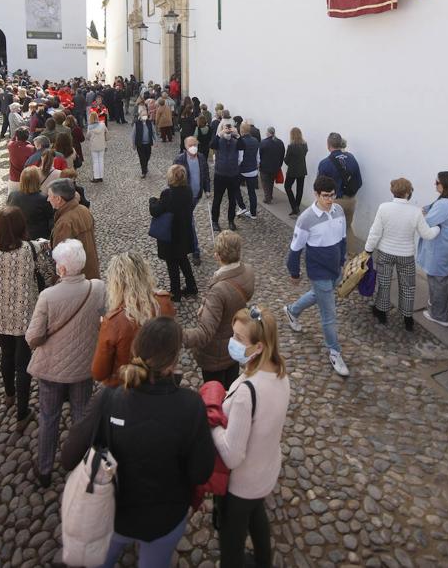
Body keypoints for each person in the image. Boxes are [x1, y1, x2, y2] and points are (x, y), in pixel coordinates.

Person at [62, 316, 213, 567]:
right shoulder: (191, 405)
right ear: (174, 360)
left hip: (113, 512)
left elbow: (68, 457)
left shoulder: (109, 399)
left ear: (135, 350)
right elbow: (201, 472)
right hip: (164, 519)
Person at [213, 306, 290, 568]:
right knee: (257, 515)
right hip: (265, 471)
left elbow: (233, 455)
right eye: (232, 335)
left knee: (231, 545)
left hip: (242, 482)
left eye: (238, 339)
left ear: (258, 347)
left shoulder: (248, 390)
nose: (232, 343)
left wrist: (212, 423)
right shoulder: (280, 372)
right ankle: (263, 561)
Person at [26, 239, 105, 487]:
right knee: (81, 416)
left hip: (52, 369)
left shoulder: (48, 296)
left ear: (61, 269)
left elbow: (33, 337)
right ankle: (83, 465)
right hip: (83, 365)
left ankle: (45, 468)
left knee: (49, 417)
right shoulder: (98, 288)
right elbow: (103, 315)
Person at [283, 175, 350, 376]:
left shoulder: (339, 211)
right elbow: (295, 250)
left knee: (318, 294)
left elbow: (343, 239)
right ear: (316, 195)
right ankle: (334, 351)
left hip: (335, 269)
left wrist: (342, 261)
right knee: (329, 314)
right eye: (325, 196)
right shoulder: (306, 219)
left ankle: (292, 310)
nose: (330, 200)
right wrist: (294, 272)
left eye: (332, 195)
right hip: (318, 271)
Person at [0, 206, 41, 431]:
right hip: (24, 312)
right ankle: (22, 412)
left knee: (6, 354)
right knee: (22, 361)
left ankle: (9, 394)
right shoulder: (28, 249)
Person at [364, 177, 440, 330]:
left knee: (384, 283)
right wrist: (438, 227)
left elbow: (375, 232)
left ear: (393, 191)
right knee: (408, 286)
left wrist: (368, 250)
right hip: (406, 255)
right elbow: (427, 235)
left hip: (385, 252)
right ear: (408, 193)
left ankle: (382, 312)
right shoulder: (415, 212)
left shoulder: (384, 208)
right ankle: (407, 319)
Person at [183, 230, 254, 388]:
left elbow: (205, 333)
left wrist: (177, 335)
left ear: (217, 256)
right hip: (235, 343)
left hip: (215, 353)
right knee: (230, 386)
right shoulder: (248, 270)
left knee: (216, 395)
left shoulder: (219, 290)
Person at [91, 251, 174, 386]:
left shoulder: (113, 322)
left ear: (116, 283)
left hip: (127, 387)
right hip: (160, 381)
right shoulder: (163, 303)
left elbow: (99, 372)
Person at [419, 171, 448, 327]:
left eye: (437, 182)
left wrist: (421, 215)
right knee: (446, 278)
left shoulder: (445, 204)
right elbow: (430, 208)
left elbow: (427, 222)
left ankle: (438, 315)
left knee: (437, 280)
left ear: (446, 184)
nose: (434, 184)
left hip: (440, 248)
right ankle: (445, 308)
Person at [149, 164, 198, 302]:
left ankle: (175, 292)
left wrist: (152, 200)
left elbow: (155, 210)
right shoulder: (188, 190)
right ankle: (191, 286)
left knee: (172, 264)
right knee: (183, 259)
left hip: (170, 234)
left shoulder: (168, 194)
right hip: (184, 232)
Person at [317, 132, 363, 254]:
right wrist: (350, 194)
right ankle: (352, 257)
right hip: (350, 200)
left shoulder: (325, 163)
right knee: (347, 227)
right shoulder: (352, 158)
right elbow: (359, 181)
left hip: (333, 201)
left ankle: (333, 257)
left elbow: (319, 186)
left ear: (328, 145)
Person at [48, 179, 100, 279]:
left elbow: (61, 257)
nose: (48, 199)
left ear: (58, 199)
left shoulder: (65, 223)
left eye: (49, 196)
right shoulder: (83, 209)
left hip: (77, 277)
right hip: (91, 270)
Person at [174, 136, 211, 265]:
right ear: (185, 147)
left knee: (186, 222)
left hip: (197, 195)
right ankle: (195, 251)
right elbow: (174, 179)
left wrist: (207, 189)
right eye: (190, 145)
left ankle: (185, 245)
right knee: (189, 223)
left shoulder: (201, 157)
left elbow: (205, 174)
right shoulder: (180, 159)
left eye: (195, 144)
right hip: (185, 198)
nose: (193, 147)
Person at [211, 122, 245, 232]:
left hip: (233, 175)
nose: (228, 130)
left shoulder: (236, 141)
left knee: (232, 200)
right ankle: (215, 221)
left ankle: (231, 221)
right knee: (217, 199)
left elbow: (243, 146)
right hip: (220, 174)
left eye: (229, 128)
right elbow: (212, 145)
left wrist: (237, 135)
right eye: (226, 128)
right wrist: (220, 133)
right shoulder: (219, 140)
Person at [7, 165, 54, 239]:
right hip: (38, 237)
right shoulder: (43, 199)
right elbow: (51, 218)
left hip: (18, 235)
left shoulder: (13, 196)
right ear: (37, 180)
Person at [235, 122, 260, 219]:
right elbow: (258, 156)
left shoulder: (241, 141)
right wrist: (256, 165)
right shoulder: (255, 140)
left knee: (235, 188)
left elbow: (240, 158)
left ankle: (242, 206)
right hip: (253, 170)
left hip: (242, 170)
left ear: (241, 131)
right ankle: (253, 213)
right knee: (252, 192)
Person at [283, 127, 308, 217]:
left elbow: (286, 161)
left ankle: (294, 207)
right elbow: (303, 156)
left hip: (293, 170)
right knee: (299, 189)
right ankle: (296, 206)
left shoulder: (291, 146)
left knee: (287, 187)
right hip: (302, 170)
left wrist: (284, 158)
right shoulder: (305, 145)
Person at [258, 126, 285, 204]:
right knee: (271, 181)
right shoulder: (280, 142)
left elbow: (259, 155)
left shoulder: (263, 142)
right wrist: (279, 164)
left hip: (265, 167)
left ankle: (267, 198)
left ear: (268, 133)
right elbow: (282, 154)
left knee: (265, 183)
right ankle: (270, 195)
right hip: (275, 166)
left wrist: (259, 164)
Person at [7, 128, 35, 195]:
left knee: (11, 202)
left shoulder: (11, 146)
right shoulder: (31, 148)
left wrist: (16, 134)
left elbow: (12, 140)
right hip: (27, 179)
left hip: (14, 179)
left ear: (16, 136)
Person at [86, 110, 109, 182]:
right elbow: (107, 133)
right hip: (102, 144)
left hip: (94, 146)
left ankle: (96, 177)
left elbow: (88, 136)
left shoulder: (90, 127)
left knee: (95, 161)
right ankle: (101, 176)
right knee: (101, 160)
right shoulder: (102, 124)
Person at [132, 108, 155, 178]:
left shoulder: (149, 123)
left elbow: (153, 132)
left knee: (147, 156)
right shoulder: (137, 123)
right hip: (140, 144)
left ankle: (145, 166)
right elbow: (133, 134)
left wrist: (155, 141)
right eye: (143, 114)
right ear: (140, 115)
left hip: (148, 144)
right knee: (142, 158)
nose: (145, 116)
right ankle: (143, 172)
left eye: (145, 114)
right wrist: (133, 144)